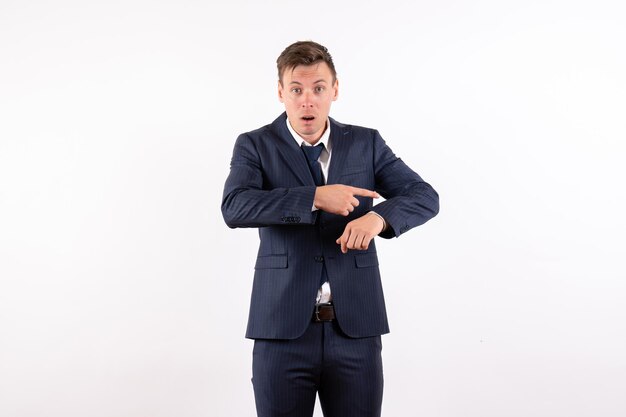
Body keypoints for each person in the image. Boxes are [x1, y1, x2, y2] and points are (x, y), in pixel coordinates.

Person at [221, 40, 439, 417]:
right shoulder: (255, 145)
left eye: (319, 88)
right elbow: (235, 206)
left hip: (356, 329)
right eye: (297, 89)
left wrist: (379, 218)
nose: (308, 100)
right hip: (281, 330)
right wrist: (315, 197)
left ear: (335, 90)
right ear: (280, 92)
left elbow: (424, 195)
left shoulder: (365, 143)